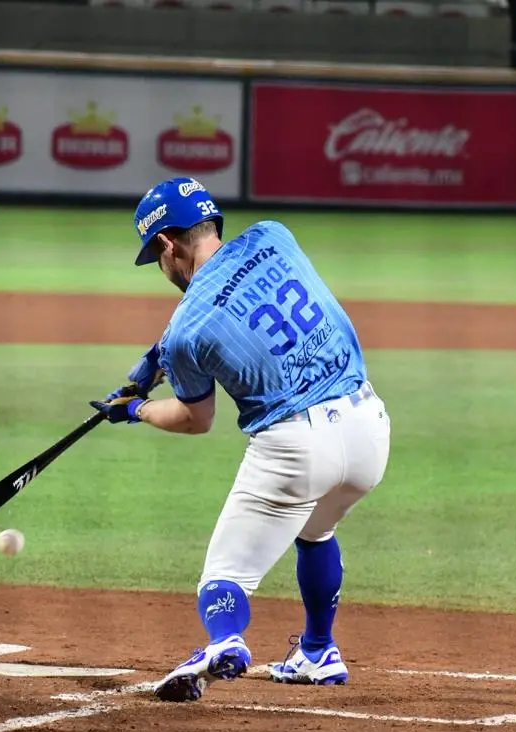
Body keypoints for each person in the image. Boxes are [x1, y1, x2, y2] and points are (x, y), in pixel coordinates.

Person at [90, 177, 392, 703]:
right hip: (369, 429)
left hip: (296, 450)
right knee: (316, 532)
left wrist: (135, 408)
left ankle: (224, 639)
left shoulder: (186, 329)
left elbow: (194, 418)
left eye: (155, 256)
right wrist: (156, 359)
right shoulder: (274, 236)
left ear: (166, 243)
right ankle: (319, 651)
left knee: (223, 577)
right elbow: (239, 293)